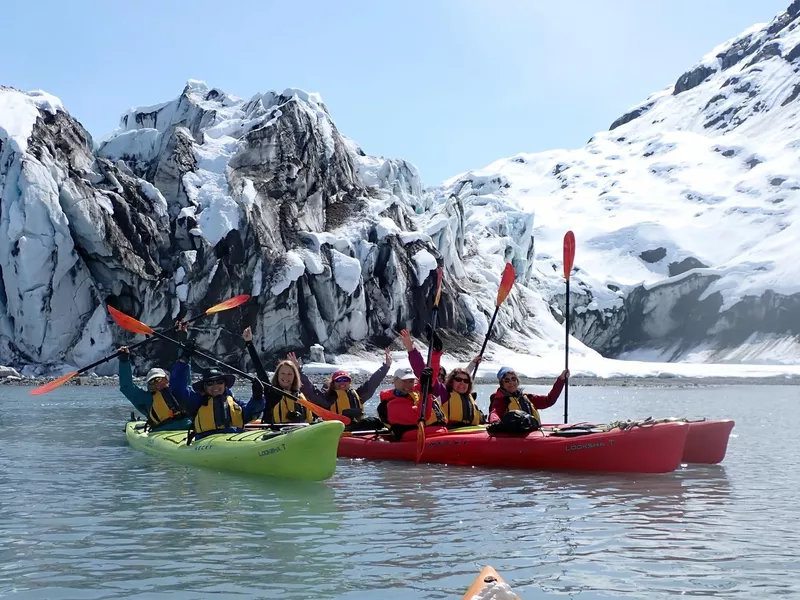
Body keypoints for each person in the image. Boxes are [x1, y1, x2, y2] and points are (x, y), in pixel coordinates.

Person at [170, 322, 265, 441]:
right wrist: (184, 360)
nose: (215, 386)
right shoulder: (196, 402)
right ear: (204, 387)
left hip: (235, 439)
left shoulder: (234, 401)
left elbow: (251, 413)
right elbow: (177, 389)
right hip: (208, 442)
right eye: (210, 383)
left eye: (219, 382)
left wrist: (257, 397)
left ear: (225, 384)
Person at [287, 349, 391, 430]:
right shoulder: (327, 399)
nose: (342, 382)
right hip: (337, 430)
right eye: (339, 380)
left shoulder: (358, 395)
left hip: (358, 429)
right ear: (333, 383)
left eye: (345, 379)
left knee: (375, 422)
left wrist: (386, 367)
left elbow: (372, 383)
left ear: (349, 382)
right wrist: (298, 370)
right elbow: (310, 390)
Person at [400, 329, 483, 428]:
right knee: (428, 376)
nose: (462, 383)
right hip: (449, 434)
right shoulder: (442, 393)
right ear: (451, 381)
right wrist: (411, 349)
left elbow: (466, 373)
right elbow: (423, 372)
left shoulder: (469, 397)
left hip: (471, 433)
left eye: (466, 381)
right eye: (458, 380)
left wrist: (473, 363)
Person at [242, 327, 314, 424]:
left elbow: (311, 390)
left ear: (295, 377)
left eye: (289, 374)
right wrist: (249, 343)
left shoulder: (298, 394)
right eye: (282, 373)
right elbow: (260, 370)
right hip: (272, 432)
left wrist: (298, 369)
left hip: (297, 431)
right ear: (277, 375)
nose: (286, 377)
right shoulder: (270, 391)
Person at [118, 346, 191, 431]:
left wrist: (183, 347)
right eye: (152, 382)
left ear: (167, 379)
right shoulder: (147, 399)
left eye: (159, 379)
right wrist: (124, 361)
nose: (157, 384)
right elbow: (127, 387)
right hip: (162, 432)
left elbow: (184, 372)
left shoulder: (178, 390)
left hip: (188, 427)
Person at [488, 367, 569, 430]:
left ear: (517, 381)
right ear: (502, 384)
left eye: (513, 379)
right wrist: (495, 423)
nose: (511, 383)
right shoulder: (500, 400)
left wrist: (561, 380)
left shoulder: (526, 397)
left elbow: (549, 401)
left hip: (531, 434)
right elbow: (494, 413)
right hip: (514, 438)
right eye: (507, 380)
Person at [378, 366, 447, 440]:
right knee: (441, 431)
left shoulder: (412, 393)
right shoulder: (392, 404)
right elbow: (422, 416)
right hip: (407, 436)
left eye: (411, 381)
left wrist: (436, 355)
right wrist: (425, 393)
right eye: (404, 381)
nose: (408, 385)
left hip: (423, 431)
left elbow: (430, 376)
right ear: (394, 381)